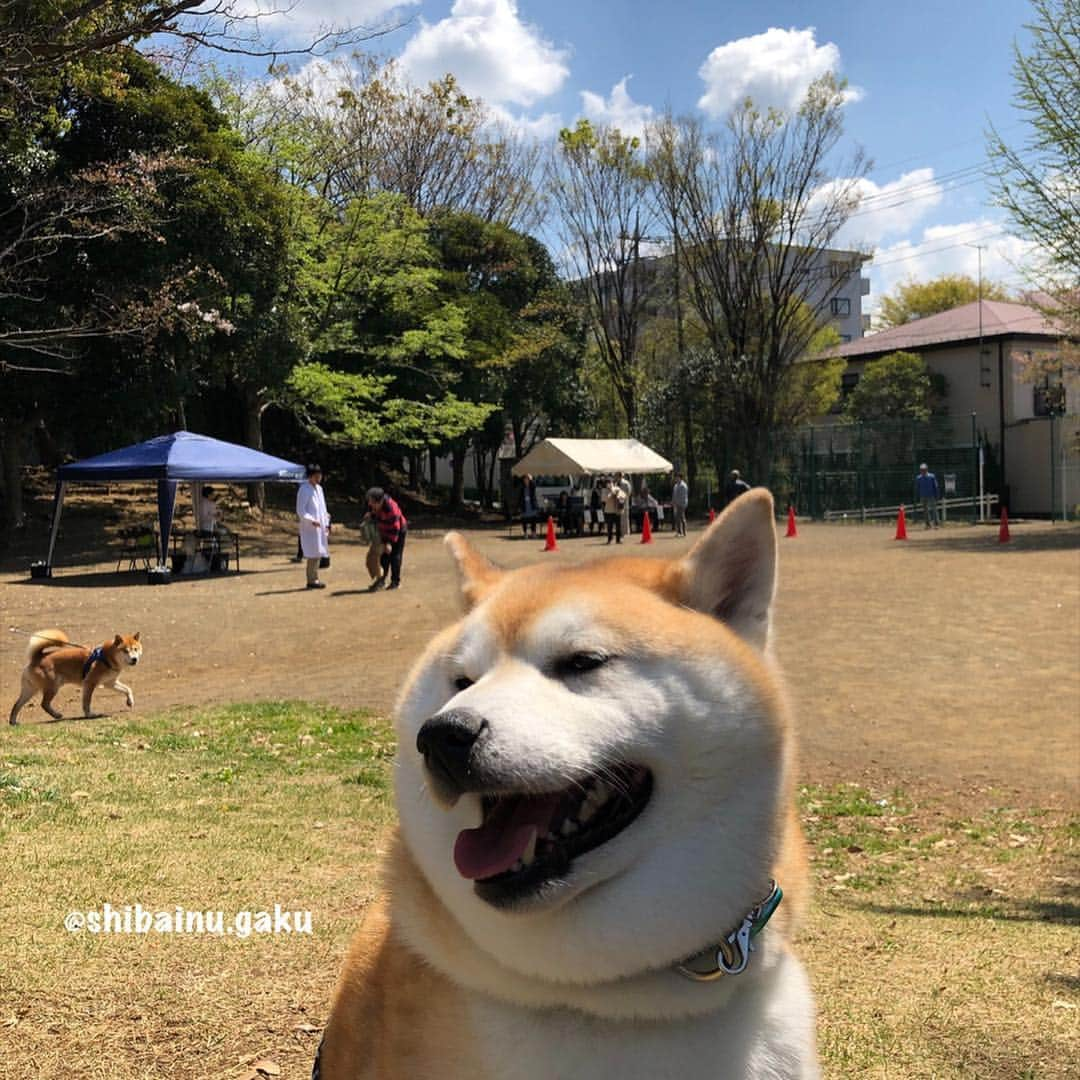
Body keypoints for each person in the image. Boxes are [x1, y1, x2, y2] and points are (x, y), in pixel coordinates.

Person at [296, 464, 331, 590]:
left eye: (320, 475)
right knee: (313, 553)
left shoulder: (319, 489)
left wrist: (326, 523)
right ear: (310, 476)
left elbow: (323, 508)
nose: (319, 478)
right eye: (316, 476)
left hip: (320, 525)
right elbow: (301, 510)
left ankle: (314, 577)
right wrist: (311, 520)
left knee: (319, 552)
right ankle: (312, 579)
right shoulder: (304, 489)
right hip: (310, 527)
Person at [367, 486, 408, 590]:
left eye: (372, 502)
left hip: (398, 531)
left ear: (380, 501)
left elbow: (395, 528)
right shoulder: (376, 504)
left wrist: (389, 543)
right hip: (384, 530)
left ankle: (395, 582)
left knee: (395, 556)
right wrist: (370, 515)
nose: (370, 504)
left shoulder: (391, 509)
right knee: (383, 557)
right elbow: (376, 514)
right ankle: (381, 581)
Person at [915, 463, 940, 528]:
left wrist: (937, 495)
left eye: (924, 469)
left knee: (934, 510)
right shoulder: (918, 478)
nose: (923, 471)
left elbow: (936, 486)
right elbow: (917, 487)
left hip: (931, 495)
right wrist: (918, 496)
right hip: (923, 496)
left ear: (926, 469)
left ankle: (936, 524)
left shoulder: (932, 476)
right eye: (921, 470)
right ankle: (928, 524)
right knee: (925, 510)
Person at [602, 476, 626, 545]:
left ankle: (618, 540)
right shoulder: (604, 490)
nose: (609, 484)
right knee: (610, 527)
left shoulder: (617, 488)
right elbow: (605, 499)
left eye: (610, 482)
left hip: (617, 511)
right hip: (609, 511)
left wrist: (619, 495)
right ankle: (609, 539)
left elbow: (624, 496)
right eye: (607, 483)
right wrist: (611, 493)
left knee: (618, 526)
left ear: (612, 483)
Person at [672, 472, 689, 537]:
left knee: (679, 517)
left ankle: (681, 532)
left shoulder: (683, 485)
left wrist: (679, 503)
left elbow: (683, 496)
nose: (676, 479)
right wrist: (673, 502)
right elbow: (674, 495)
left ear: (680, 478)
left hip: (682, 504)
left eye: (677, 477)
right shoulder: (676, 485)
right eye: (676, 477)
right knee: (680, 517)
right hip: (676, 504)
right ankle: (681, 532)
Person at [616, 471, 631, 537]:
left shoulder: (626, 483)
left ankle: (625, 532)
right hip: (618, 501)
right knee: (620, 518)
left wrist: (623, 497)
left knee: (624, 518)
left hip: (623, 501)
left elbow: (629, 492)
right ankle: (620, 532)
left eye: (617, 476)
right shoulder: (616, 483)